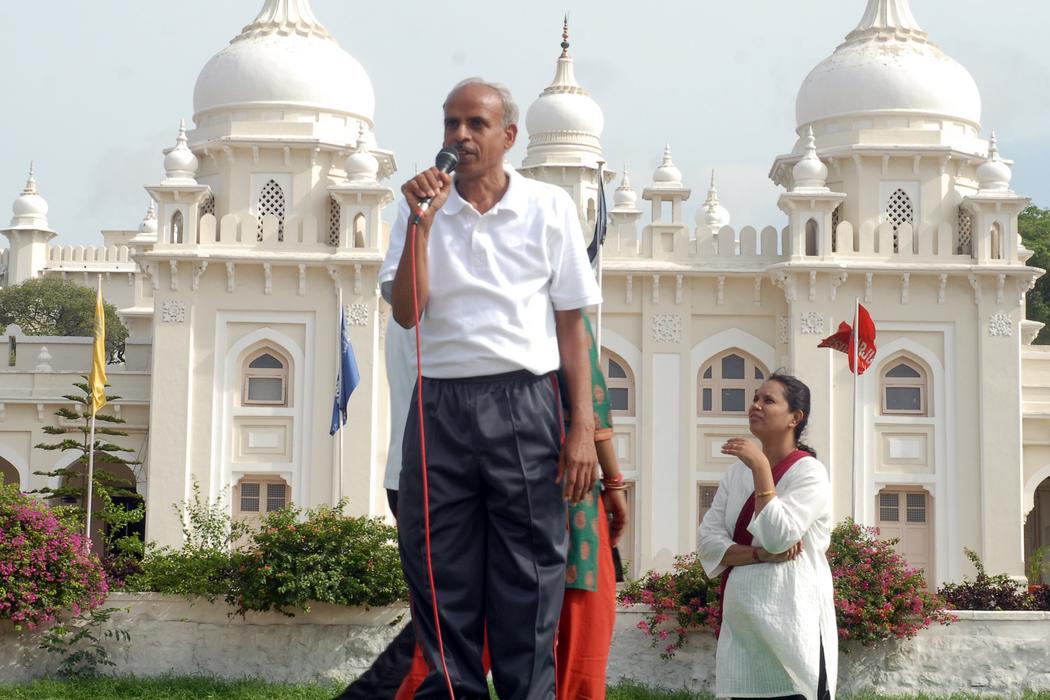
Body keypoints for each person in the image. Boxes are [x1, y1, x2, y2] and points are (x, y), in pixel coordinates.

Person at [381, 77, 602, 699]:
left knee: (530, 574)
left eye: (475, 124)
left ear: (508, 136)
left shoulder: (547, 206)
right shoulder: (418, 208)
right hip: (440, 403)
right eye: (450, 123)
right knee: (438, 570)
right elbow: (407, 312)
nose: (460, 136)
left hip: (524, 402)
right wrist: (422, 225)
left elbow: (572, 324)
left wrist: (581, 427)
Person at [697, 373, 837, 700]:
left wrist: (760, 466)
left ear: (795, 418)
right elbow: (708, 544)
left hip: (793, 627)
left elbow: (778, 537)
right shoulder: (735, 473)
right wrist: (759, 555)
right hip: (744, 635)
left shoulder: (810, 473)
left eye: (768, 400)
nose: (756, 405)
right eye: (755, 399)